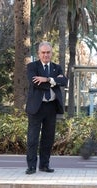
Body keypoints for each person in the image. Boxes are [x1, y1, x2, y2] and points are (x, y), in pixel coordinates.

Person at [25, 41, 68, 175]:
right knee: (32, 139)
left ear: (51, 53)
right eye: (43, 52)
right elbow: (36, 84)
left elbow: (64, 81)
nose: (46, 55)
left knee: (48, 138)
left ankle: (44, 165)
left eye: (48, 52)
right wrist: (54, 81)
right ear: (39, 53)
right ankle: (31, 166)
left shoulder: (57, 67)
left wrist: (47, 79)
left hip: (51, 107)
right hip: (36, 108)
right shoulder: (32, 66)